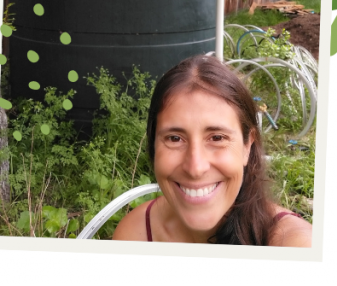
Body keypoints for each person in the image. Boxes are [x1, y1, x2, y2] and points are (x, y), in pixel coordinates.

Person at [112, 54, 312, 246]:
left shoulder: (295, 243)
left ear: (247, 146)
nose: (195, 167)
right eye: (174, 138)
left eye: (217, 138)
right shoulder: (135, 234)